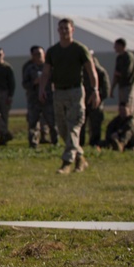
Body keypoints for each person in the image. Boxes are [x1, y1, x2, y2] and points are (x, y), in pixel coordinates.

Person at [39, 18, 99, 175]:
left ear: (72, 30)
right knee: (64, 129)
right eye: (61, 28)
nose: (64, 31)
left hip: (75, 92)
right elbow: (45, 72)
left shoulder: (79, 49)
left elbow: (91, 71)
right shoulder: (52, 51)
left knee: (74, 125)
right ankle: (80, 158)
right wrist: (42, 89)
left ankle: (66, 162)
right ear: (58, 31)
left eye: (67, 28)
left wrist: (95, 90)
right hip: (58, 92)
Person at [21, 46, 57, 148]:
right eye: (35, 54)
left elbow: (56, 81)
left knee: (52, 122)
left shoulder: (50, 67)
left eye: (40, 54)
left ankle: (55, 142)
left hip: (48, 99)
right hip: (34, 100)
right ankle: (33, 143)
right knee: (33, 123)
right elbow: (24, 84)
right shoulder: (28, 68)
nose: (38, 56)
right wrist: (34, 82)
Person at [80, 52, 110, 149]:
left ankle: (94, 143)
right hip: (83, 102)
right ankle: (80, 142)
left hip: (95, 103)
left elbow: (106, 89)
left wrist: (99, 98)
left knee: (95, 124)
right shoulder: (81, 71)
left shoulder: (100, 72)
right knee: (81, 124)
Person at [112, 38, 134, 111]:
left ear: (121, 46)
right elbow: (116, 74)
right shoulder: (119, 58)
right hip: (121, 86)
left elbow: (127, 73)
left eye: (116, 46)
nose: (114, 48)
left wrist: (118, 73)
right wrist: (112, 88)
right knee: (122, 106)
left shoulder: (128, 57)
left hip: (128, 86)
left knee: (127, 106)